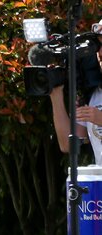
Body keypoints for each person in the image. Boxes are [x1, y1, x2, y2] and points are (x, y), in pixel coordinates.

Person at [49, 19, 102, 162]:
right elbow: (68, 144)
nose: (101, 52)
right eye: (99, 44)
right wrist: (56, 93)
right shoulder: (93, 94)